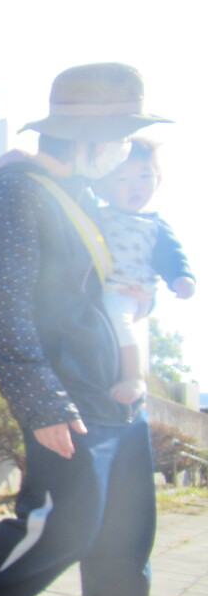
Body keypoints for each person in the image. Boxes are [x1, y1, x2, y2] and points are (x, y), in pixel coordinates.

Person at [0, 62, 173, 596]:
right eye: (120, 138)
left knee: (125, 538)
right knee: (58, 523)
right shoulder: (12, 193)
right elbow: (2, 304)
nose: (126, 151)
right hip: (68, 395)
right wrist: (42, 400)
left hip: (118, 399)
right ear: (87, 139)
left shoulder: (84, 198)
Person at [93, 137, 195, 404]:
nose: (135, 185)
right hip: (102, 286)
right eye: (123, 179)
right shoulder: (98, 216)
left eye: (144, 176)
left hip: (131, 291)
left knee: (117, 316)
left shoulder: (154, 224)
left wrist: (181, 278)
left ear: (157, 179)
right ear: (104, 186)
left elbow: (171, 256)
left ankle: (134, 376)